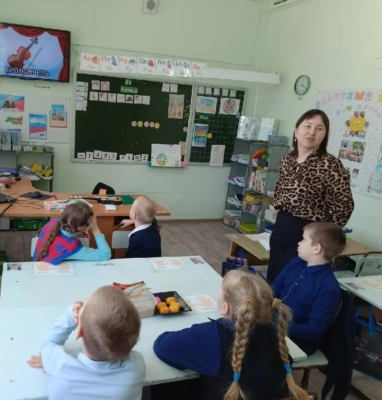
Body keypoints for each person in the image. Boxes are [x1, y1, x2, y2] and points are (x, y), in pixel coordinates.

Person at [152, 270, 308, 400]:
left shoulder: (211, 335)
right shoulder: (273, 332)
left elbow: (162, 346)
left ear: (225, 308)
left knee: (168, 386)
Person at [268, 109, 354, 283]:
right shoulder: (287, 159)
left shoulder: (330, 164)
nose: (312, 132)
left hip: (310, 233)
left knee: (293, 281)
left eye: (319, 128)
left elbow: (344, 205)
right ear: (296, 130)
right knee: (274, 276)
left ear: (325, 134)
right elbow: (280, 189)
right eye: (307, 126)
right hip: (282, 224)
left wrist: (325, 235)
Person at [27, 286, 146, 400]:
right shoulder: (137, 367)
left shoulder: (58, 363)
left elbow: (49, 342)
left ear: (79, 332)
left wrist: (70, 316)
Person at [272, 222, 345, 355]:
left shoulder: (328, 288)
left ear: (316, 248)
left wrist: (279, 324)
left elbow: (313, 331)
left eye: (304, 239)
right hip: (276, 323)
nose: (299, 243)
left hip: (298, 340)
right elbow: (273, 291)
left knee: (253, 349)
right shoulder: (295, 263)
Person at [33, 202, 111, 264]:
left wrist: (78, 232)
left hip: (37, 265)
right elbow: (105, 254)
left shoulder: (54, 222)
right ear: (86, 226)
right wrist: (95, 229)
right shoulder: (72, 248)